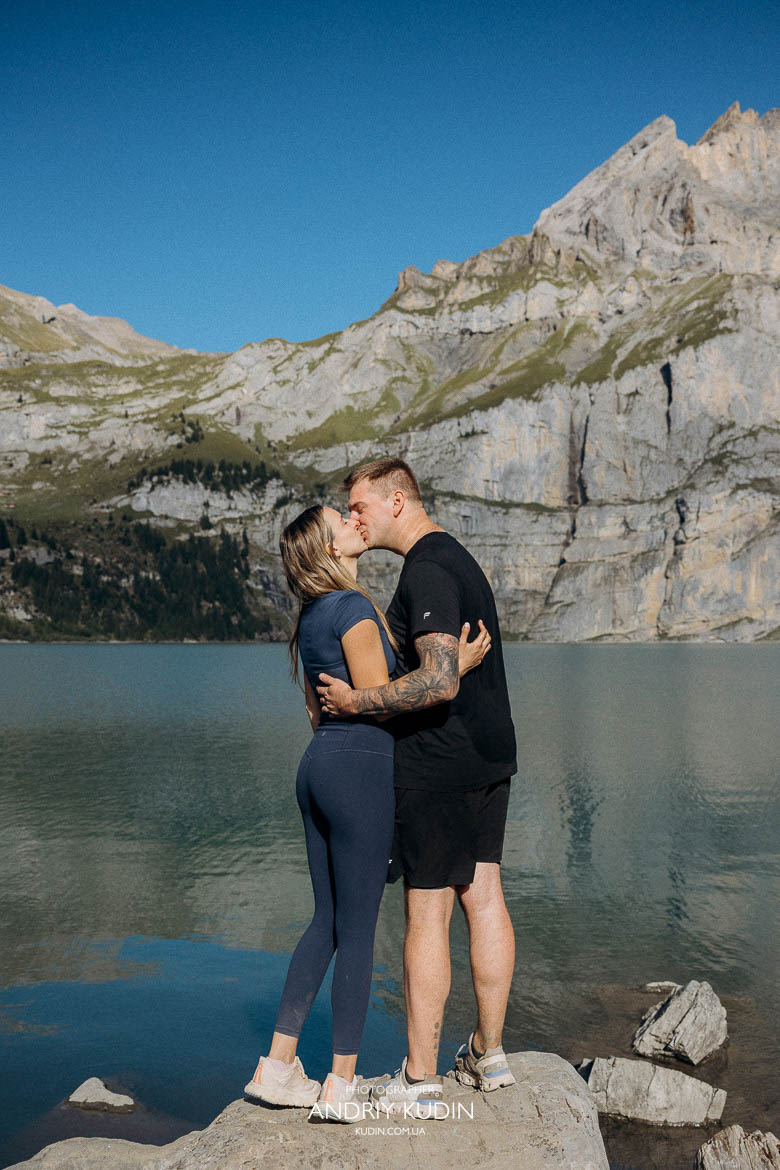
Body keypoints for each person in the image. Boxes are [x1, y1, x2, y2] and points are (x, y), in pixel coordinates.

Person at [244, 503, 490, 1122]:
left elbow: (314, 710)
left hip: (317, 764)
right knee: (357, 929)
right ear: (328, 550)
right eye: (341, 522)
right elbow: (377, 702)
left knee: (325, 919)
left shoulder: (310, 618)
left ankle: (276, 1067)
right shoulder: (352, 609)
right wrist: (450, 668)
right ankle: (342, 1086)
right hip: (359, 766)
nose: (356, 524)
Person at [317, 458, 518, 1119]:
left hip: (439, 761)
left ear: (397, 501)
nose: (354, 518)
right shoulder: (455, 558)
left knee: (428, 912)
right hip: (489, 755)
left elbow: (438, 681)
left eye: (360, 507)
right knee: (483, 895)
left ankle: (420, 1078)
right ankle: (490, 1056)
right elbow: (452, 665)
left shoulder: (427, 569)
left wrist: (356, 702)